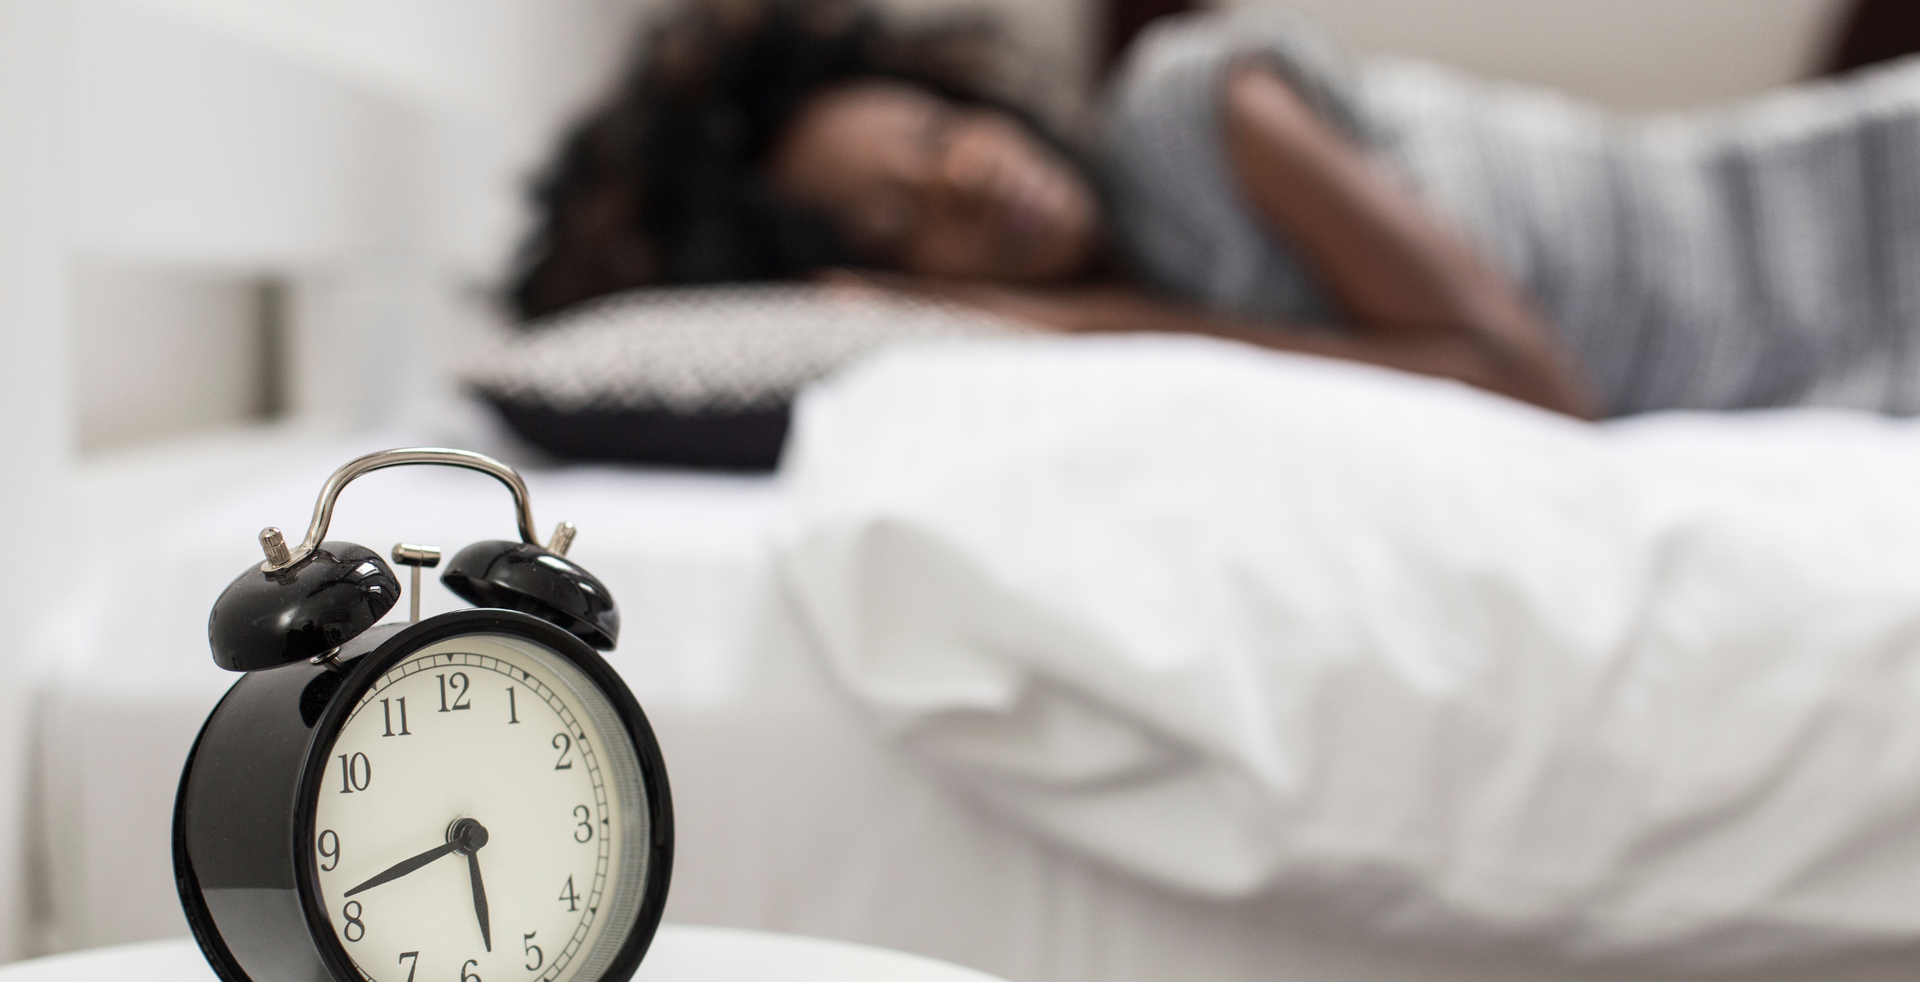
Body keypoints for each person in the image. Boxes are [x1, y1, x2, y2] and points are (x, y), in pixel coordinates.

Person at [510, 0, 1920, 419]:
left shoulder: (1189, 107)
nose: (967, 174)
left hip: (1861, 214)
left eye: (941, 131)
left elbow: (1526, 382)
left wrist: (1073, 321)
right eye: (899, 221)